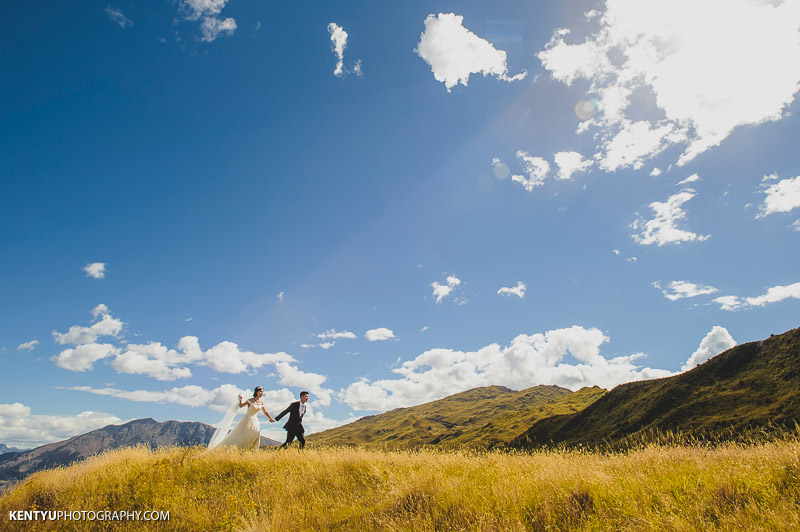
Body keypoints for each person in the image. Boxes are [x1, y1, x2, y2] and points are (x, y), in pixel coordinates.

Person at [207, 386, 275, 450]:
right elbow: (241, 405)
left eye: (262, 392)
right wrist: (240, 399)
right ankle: (241, 449)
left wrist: (270, 418)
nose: (262, 393)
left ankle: (252, 450)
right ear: (256, 392)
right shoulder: (250, 400)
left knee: (255, 435)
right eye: (260, 391)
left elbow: (265, 411)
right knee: (244, 435)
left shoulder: (261, 402)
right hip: (247, 419)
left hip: (255, 421)